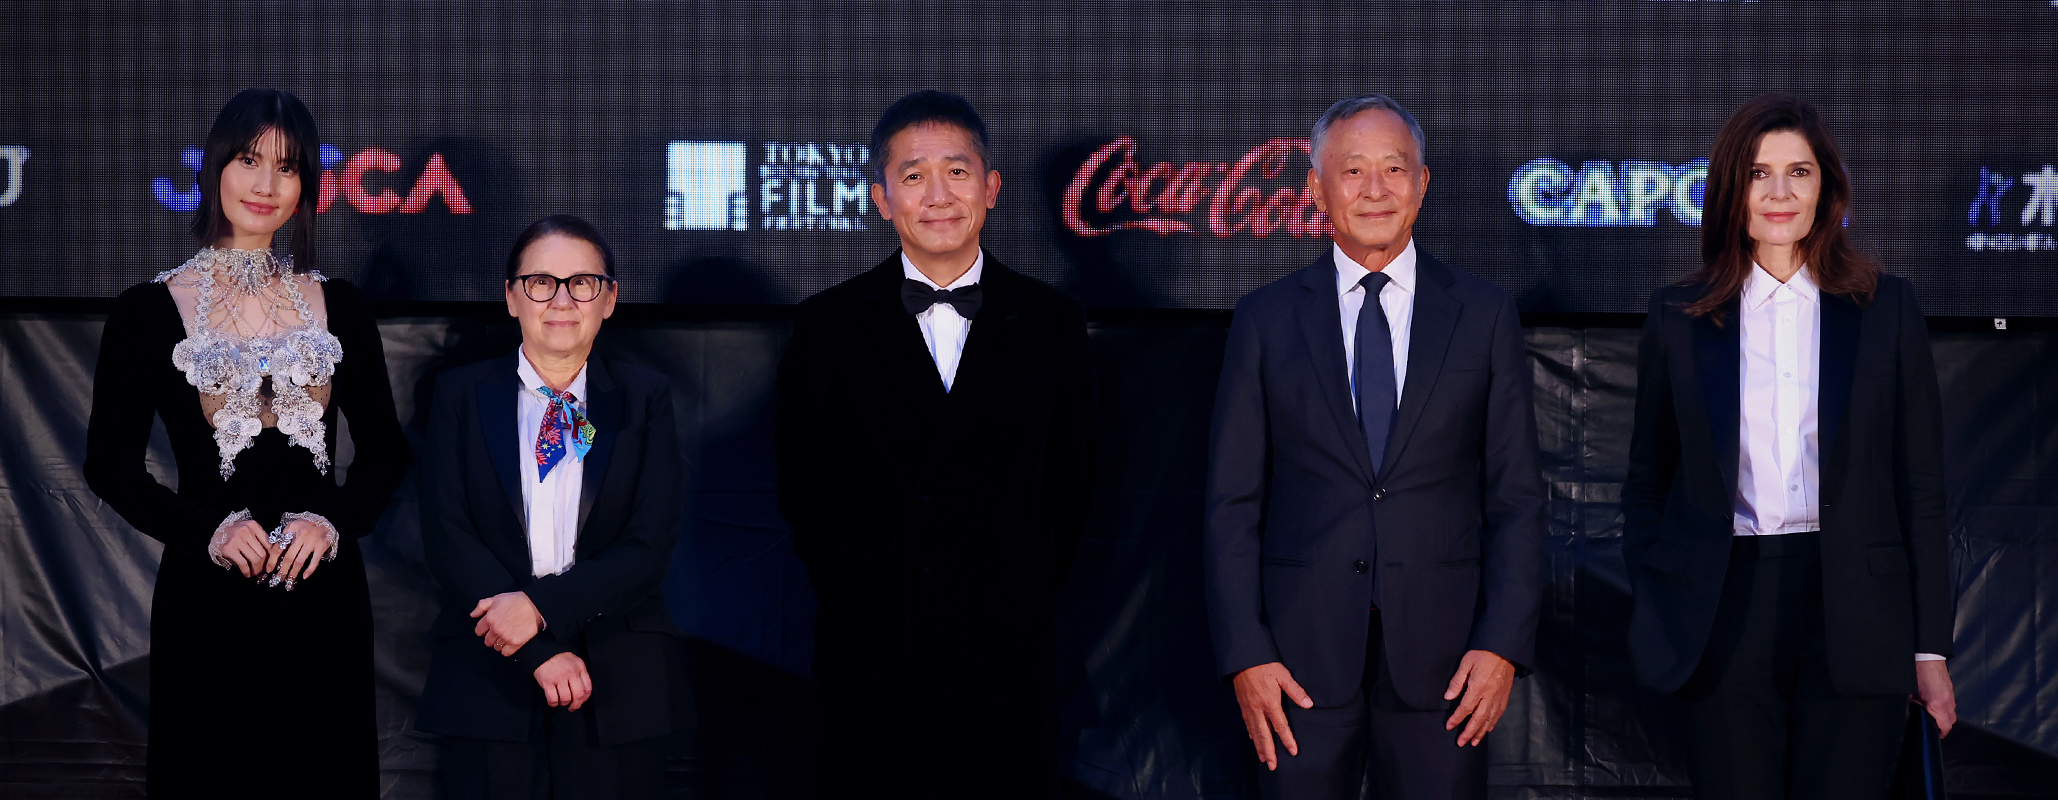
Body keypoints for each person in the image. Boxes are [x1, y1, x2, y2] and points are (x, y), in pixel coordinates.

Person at [1203, 94, 1544, 800]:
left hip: (1448, 666)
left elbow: (1516, 498)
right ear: (1315, 188)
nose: (1375, 189)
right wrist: (1246, 654)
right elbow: (1230, 504)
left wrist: (1502, 642)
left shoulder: (1483, 314)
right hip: (1294, 669)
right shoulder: (1265, 320)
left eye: (1394, 169)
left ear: (1422, 184)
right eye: (1353, 170)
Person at [1620, 93, 1957, 799]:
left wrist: (1929, 648)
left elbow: (1919, 488)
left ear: (1826, 188)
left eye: (1799, 173)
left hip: (1856, 612)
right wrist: (1664, 592)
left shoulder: (1886, 309)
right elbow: (1648, 479)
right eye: (1758, 173)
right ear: (1729, 190)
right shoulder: (1677, 317)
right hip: (1722, 608)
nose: (1779, 193)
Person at [83, 88, 410, 797]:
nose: (266, 184)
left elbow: (386, 450)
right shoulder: (146, 311)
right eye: (249, 159)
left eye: (288, 167)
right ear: (212, 169)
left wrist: (333, 520)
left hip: (323, 598)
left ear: (307, 188)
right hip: (208, 600)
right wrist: (209, 529)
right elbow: (109, 463)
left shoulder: (340, 303)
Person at [774, 90, 1095, 796]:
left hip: (1010, 662)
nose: (938, 194)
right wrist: (871, 600)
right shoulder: (826, 327)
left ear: (991, 186)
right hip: (875, 662)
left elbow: (1077, 487)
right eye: (913, 175)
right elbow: (804, 491)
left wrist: (1018, 592)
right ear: (882, 198)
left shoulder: (1052, 324)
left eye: (956, 170)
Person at [416, 215, 688, 799]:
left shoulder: (645, 397)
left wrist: (538, 609)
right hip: (488, 671)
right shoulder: (459, 393)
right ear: (512, 297)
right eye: (541, 282)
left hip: (617, 674)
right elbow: (446, 532)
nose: (561, 299)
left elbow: (650, 544)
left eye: (582, 282)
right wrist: (538, 649)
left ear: (609, 299)